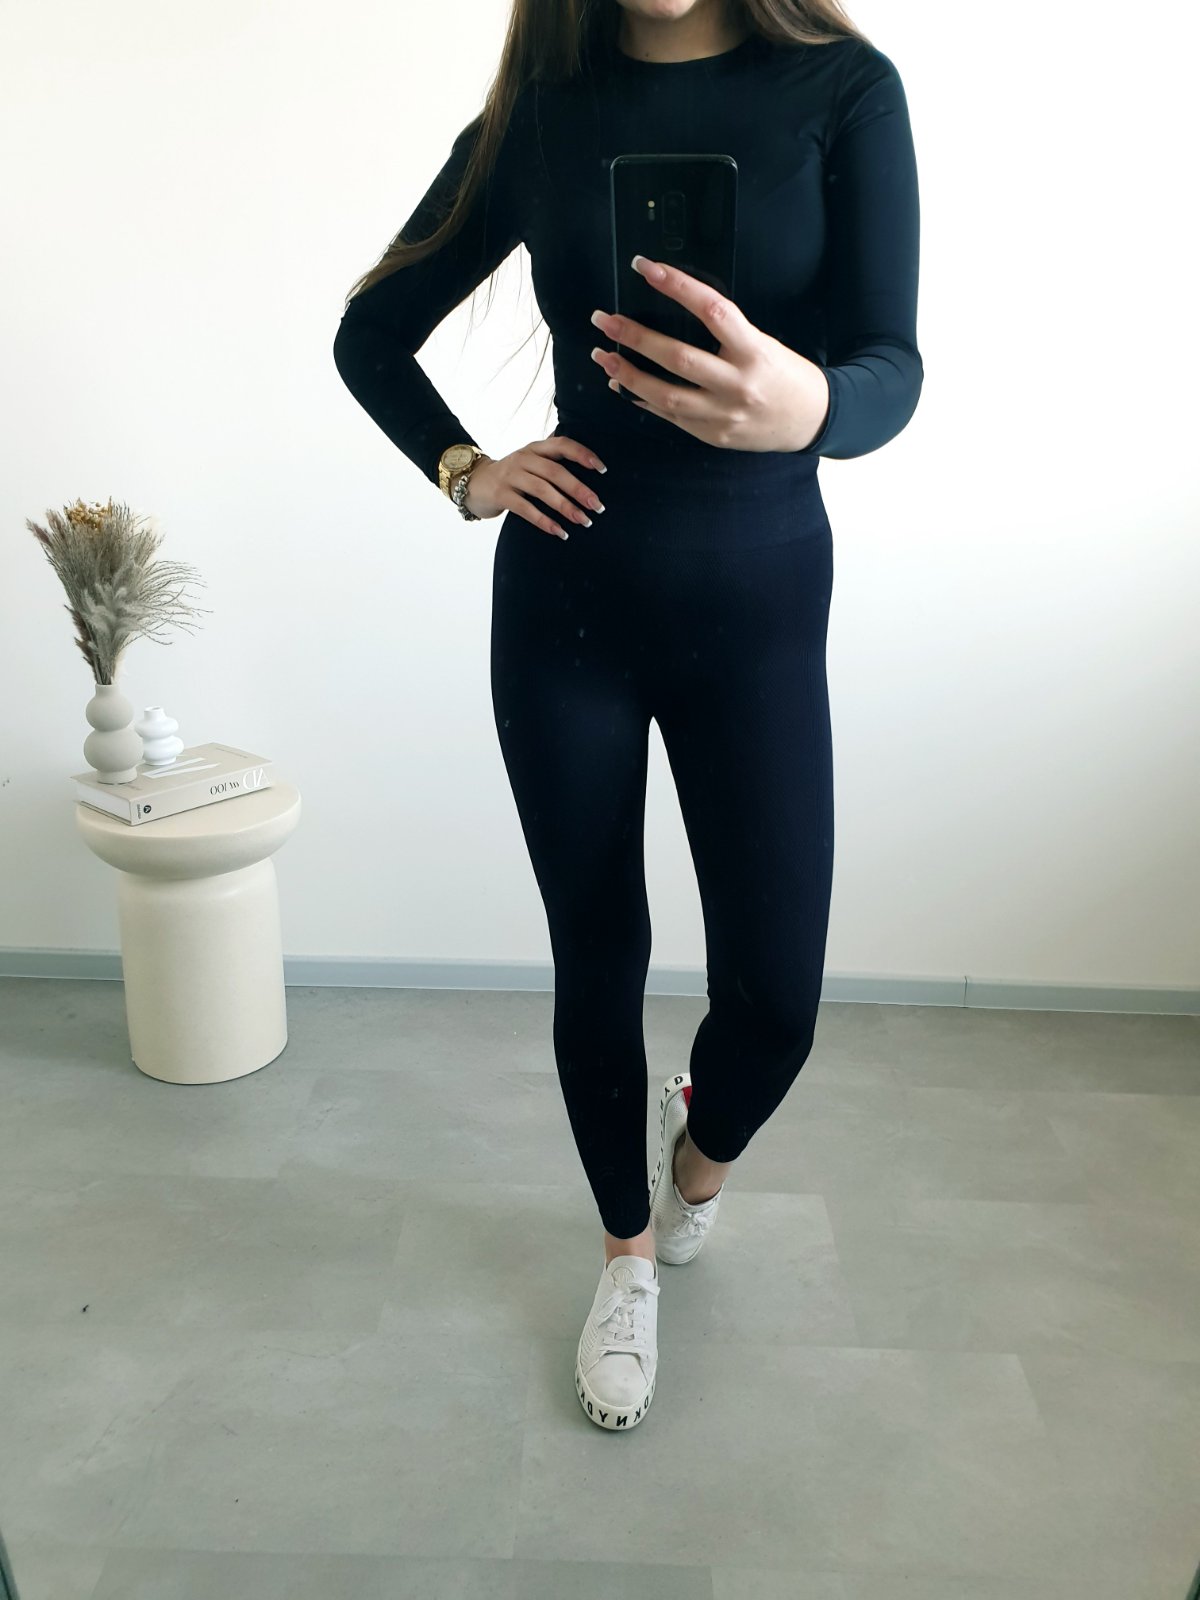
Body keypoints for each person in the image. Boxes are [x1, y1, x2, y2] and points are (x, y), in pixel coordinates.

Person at [332, 0, 922, 1432]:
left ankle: (695, 1164)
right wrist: (468, 470)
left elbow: (892, 367)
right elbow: (371, 332)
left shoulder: (842, 91)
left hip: (760, 606)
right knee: (598, 956)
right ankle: (626, 1256)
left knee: (776, 998)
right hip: (567, 610)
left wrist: (809, 406)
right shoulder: (541, 112)